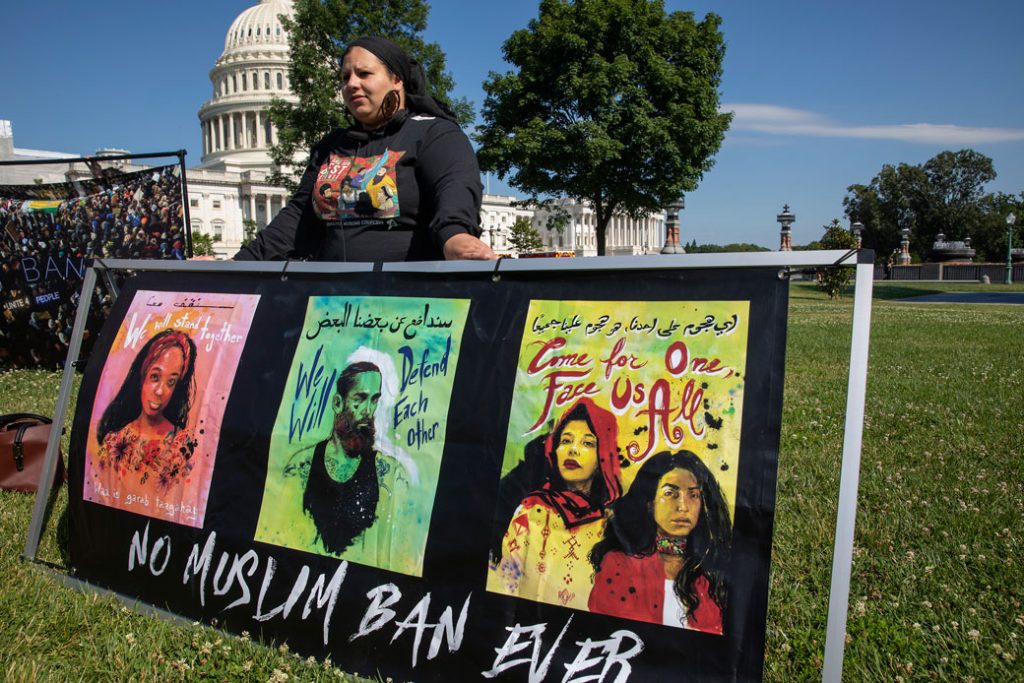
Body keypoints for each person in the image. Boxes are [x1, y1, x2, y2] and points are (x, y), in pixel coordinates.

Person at [235, 36, 495, 263]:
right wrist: (232, 265)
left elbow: (455, 187)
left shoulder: (434, 133)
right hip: (331, 300)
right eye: (345, 77)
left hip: (409, 299)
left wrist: (455, 235)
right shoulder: (330, 146)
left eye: (364, 74)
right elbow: (297, 221)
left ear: (396, 80)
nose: (351, 84)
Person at [488, 398, 622, 610]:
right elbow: (502, 587)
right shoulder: (530, 511)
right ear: (554, 450)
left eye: (587, 443)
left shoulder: (611, 527)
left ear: (603, 457)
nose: (573, 450)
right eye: (566, 440)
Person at [588, 450, 731, 634]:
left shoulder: (712, 573)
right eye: (670, 493)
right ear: (650, 502)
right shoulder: (618, 565)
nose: (683, 506)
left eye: (693, 495)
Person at [283, 361, 410, 556]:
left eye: (375, 399)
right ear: (337, 403)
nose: (368, 410)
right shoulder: (301, 466)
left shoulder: (390, 474)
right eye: (360, 398)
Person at [94, 329, 199, 491]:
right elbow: (99, 489)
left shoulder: (182, 446)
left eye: (171, 381)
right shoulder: (113, 440)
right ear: (142, 375)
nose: (160, 391)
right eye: (155, 377)